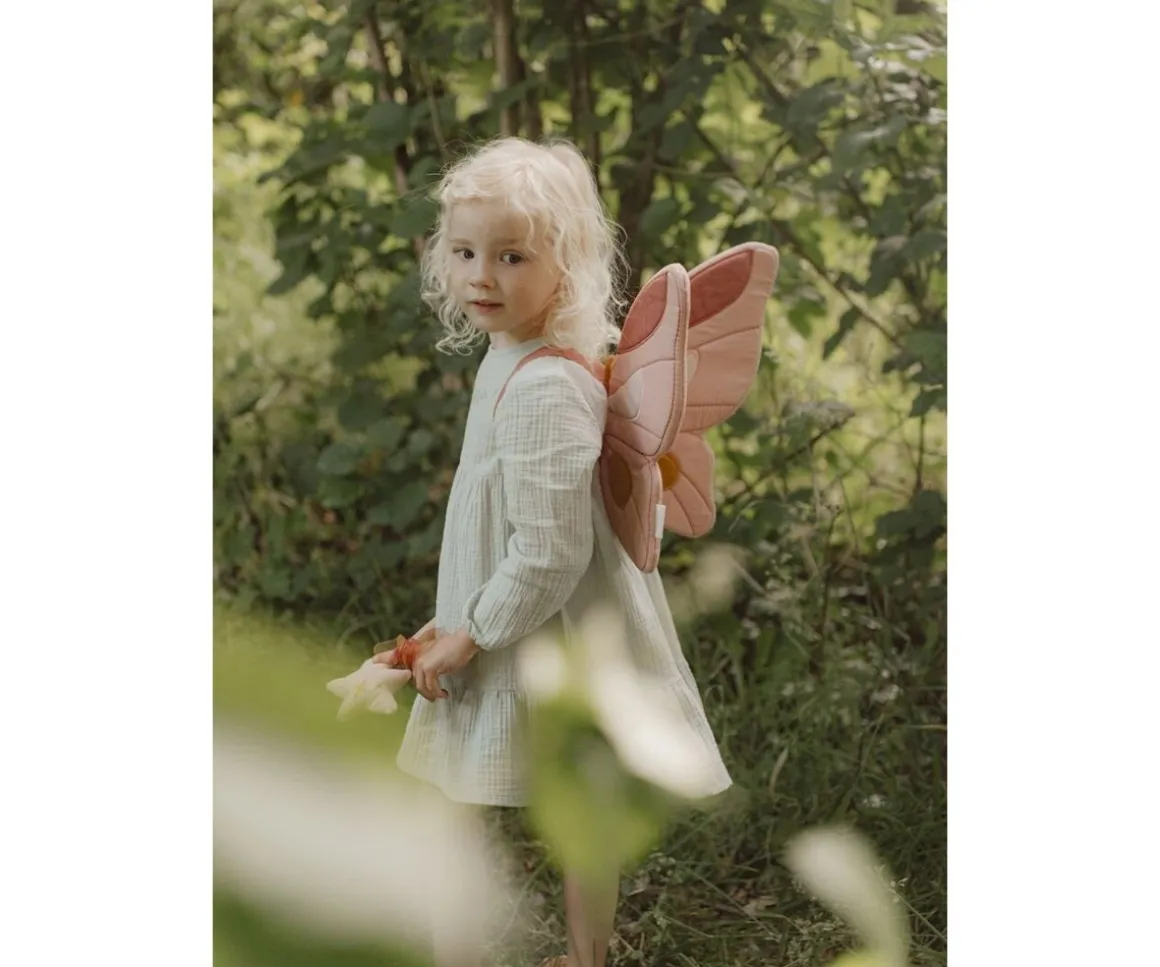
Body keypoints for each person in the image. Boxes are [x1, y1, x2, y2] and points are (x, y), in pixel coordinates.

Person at [375, 136, 732, 967]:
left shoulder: (545, 385)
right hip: (511, 611)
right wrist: (448, 617)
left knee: (495, 801)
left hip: (538, 625)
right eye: (465, 252)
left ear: (565, 264)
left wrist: (472, 631)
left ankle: (565, 954)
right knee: (537, 797)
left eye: (511, 256)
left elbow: (550, 547)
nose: (481, 276)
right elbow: (506, 524)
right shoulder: (512, 357)